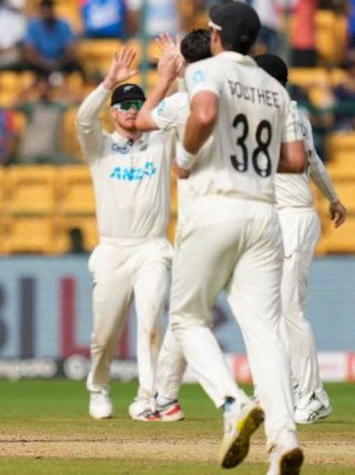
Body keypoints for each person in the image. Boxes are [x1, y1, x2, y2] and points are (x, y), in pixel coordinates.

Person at [170, 1, 307, 473]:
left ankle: (233, 403)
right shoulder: (274, 87)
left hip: (216, 205)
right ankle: (284, 437)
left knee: (187, 319)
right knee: (266, 330)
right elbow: (295, 160)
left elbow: (204, 114)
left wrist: (185, 160)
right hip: (265, 213)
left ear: (215, 35)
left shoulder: (206, 70)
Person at [75, 45, 179, 421]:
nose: (133, 109)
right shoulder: (101, 146)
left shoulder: (161, 142)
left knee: (151, 323)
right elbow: (82, 121)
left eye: (138, 104)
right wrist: (108, 84)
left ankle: (147, 396)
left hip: (152, 248)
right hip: (113, 251)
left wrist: (176, 70)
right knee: (105, 335)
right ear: (114, 112)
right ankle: (98, 386)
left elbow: (180, 106)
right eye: (125, 105)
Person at [255, 53, 347, 425]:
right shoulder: (289, 114)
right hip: (275, 219)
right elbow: (316, 163)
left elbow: (301, 161)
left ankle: (313, 394)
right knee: (270, 312)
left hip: (292, 218)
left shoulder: (286, 115)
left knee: (290, 311)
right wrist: (335, 197)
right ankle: (281, 387)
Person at [133, 28, 213, 422]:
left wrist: (166, 75)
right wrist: (182, 66)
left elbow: (143, 119)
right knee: (264, 316)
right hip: (255, 214)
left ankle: (220, 399)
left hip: (201, 222)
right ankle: (278, 397)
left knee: (185, 316)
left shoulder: (184, 103)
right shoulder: (241, 92)